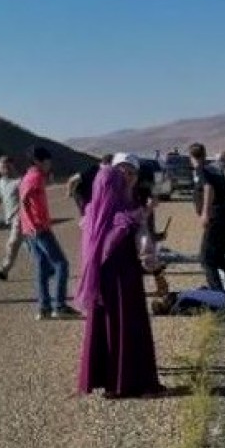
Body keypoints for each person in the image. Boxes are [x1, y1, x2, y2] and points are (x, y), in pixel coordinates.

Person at [76, 154, 167, 398]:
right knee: (116, 324)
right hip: (113, 274)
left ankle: (127, 381)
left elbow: (144, 239)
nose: (126, 175)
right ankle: (117, 383)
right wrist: (140, 215)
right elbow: (112, 233)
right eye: (122, 170)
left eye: (131, 172)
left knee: (128, 324)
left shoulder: (133, 200)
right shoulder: (104, 204)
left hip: (126, 272)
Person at [20, 146, 80, 320]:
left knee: (42, 267)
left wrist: (28, 225)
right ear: (38, 161)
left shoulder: (28, 176)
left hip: (31, 230)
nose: (49, 164)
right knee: (61, 264)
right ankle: (59, 306)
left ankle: (44, 308)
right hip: (39, 229)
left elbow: (25, 201)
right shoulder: (36, 177)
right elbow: (24, 200)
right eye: (47, 161)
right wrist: (35, 224)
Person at [190, 142, 225, 295]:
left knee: (206, 259)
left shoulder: (201, 170)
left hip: (218, 220)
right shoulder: (214, 171)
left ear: (191, 157)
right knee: (216, 257)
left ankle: (217, 297)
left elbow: (208, 188)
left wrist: (205, 214)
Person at [0, 156, 24, 281]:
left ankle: (3, 270)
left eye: (6, 166)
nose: (4, 169)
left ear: (12, 165)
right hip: (11, 219)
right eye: (1, 167)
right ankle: (51, 266)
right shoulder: (2, 182)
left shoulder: (21, 181)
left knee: (12, 243)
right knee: (32, 246)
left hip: (21, 218)